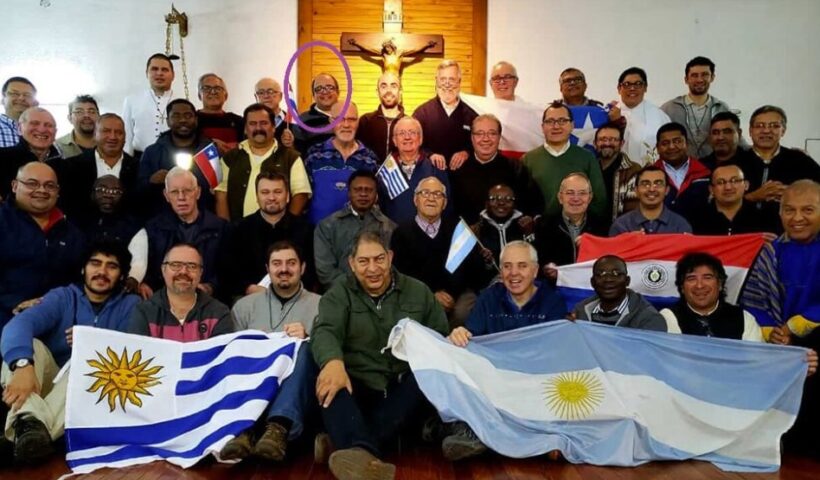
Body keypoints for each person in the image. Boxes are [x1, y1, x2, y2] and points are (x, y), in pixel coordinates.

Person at [311, 231, 448, 479]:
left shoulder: (419, 291)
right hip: (358, 386)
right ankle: (364, 453)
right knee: (328, 380)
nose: (373, 268)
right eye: (363, 262)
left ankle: (352, 447)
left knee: (426, 376)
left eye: (379, 259)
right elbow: (325, 331)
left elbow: (439, 336)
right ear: (351, 264)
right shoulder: (337, 295)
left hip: (401, 391)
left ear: (390, 257)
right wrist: (333, 362)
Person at [0, 240, 139, 463]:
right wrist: (23, 366)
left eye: (112, 266)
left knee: (87, 359)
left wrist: (93, 341)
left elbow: (132, 353)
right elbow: (19, 325)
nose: (102, 271)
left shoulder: (131, 305)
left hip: (95, 395)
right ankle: (30, 430)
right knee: (30, 345)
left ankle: (22, 432)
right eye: (95, 263)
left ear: (122, 275)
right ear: (84, 268)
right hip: (45, 385)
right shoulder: (63, 296)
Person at [444, 241, 566, 461]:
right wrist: (460, 333)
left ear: (535, 270)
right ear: (500, 271)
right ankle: (469, 433)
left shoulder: (552, 300)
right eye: (507, 266)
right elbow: (471, 338)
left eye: (522, 266)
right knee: (454, 358)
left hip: (534, 382)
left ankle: (492, 438)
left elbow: (554, 352)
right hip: (494, 382)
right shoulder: (489, 297)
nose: (514, 273)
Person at [221, 240, 321, 462]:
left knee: (305, 349)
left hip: (299, 395)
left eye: (291, 263)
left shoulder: (321, 306)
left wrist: (308, 337)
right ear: (267, 270)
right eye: (277, 264)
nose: (284, 269)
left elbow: (327, 355)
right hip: (252, 390)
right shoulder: (244, 307)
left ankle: (278, 428)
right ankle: (244, 430)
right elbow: (231, 359)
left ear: (302, 268)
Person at [741, 180, 820, 456]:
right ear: (780, 214)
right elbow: (754, 299)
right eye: (789, 210)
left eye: (808, 210)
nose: (797, 218)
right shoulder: (771, 251)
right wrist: (772, 331)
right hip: (779, 346)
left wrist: (796, 328)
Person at [0, 162, 86, 329]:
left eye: (49, 186)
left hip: (56, 320)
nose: (41, 190)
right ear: (15, 186)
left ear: (58, 192)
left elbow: (78, 281)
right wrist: (15, 302)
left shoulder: (72, 233)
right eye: (32, 183)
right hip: (6, 315)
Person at [391, 177, 482, 328]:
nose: (431, 198)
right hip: (418, 294)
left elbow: (472, 271)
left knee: (464, 311)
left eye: (437, 194)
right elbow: (401, 274)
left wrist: (451, 295)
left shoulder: (459, 230)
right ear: (415, 199)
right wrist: (432, 295)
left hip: (457, 295)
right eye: (425, 193)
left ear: (445, 203)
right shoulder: (401, 233)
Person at [129, 167, 230, 300]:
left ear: (198, 192)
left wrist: (210, 287)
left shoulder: (221, 228)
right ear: (166, 196)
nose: (181, 197)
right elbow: (149, 268)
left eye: (187, 191)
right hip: (163, 298)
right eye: (175, 192)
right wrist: (146, 284)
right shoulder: (153, 228)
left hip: (208, 300)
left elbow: (229, 271)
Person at [216, 103, 312, 221]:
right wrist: (226, 229)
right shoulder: (230, 158)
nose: (258, 128)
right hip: (238, 233)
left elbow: (300, 195)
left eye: (264, 123)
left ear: (273, 127)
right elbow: (221, 194)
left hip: (279, 233)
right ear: (245, 129)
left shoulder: (290, 157)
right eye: (252, 124)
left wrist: (286, 226)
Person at [228, 171, 313, 298]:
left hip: (296, 297)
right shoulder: (238, 229)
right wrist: (248, 288)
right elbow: (228, 271)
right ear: (257, 197)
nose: (271, 197)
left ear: (288, 196)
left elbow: (311, 271)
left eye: (277, 192)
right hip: (250, 297)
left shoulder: (305, 229)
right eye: (265, 192)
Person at [449, 114, 542, 225]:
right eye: (479, 133)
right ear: (472, 137)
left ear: (499, 137)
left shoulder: (515, 168)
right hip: (467, 236)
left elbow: (534, 204)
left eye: (492, 133)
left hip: (508, 236)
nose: (486, 139)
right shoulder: (458, 169)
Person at [128, 243, 233, 340]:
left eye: (192, 266)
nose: (183, 271)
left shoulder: (219, 312)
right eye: (175, 265)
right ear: (163, 270)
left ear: (201, 273)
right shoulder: (144, 311)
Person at [522, 101, 607, 219]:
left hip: (579, 229)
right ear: (542, 127)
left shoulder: (587, 157)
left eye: (562, 121)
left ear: (572, 125)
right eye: (550, 121)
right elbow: (522, 200)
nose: (556, 126)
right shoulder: (528, 159)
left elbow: (599, 199)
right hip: (539, 229)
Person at [742, 106, 820, 231]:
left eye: (774, 126)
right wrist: (753, 196)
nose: (766, 131)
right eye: (760, 126)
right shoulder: (735, 162)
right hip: (744, 235)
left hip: (792, 235)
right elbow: (717, 203)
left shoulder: (800, 160)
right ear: (750, 131)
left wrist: (794, 195)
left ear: (783, 130)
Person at [315, 170, 396, 289]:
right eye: (357, 190)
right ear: (349, 193)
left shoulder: (389, 227)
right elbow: (325, 272)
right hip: (340, 295)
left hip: (379, 294)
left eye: (368, 190)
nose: (363, 194)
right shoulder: (327, 226)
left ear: (376, 195)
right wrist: (354, 290)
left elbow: (393, 269)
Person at [661, 252, 765, 341]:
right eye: (691, 279)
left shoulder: (743, 318)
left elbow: (756, 359)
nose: (699, 285)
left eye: (707, 277)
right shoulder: (668, 317)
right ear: (682, 287)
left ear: (720, 284)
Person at [305, 101, 379, 224]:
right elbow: (304, 196)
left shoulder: (370, 159)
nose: (346, 125)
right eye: (340, 119)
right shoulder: (314, 155)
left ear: (358, 122)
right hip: (319, 235)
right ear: (330, 121)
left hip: (359, 236)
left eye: (351, 119)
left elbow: (376, 200)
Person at [137, 98, 216, 213]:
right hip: (163, 221)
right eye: (176, 116)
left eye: (188, 115)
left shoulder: (210, 151)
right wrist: (151, 181)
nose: (183, 120)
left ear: (196, 120)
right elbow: (139, 192)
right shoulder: (152, 152)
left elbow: (219, 191)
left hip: (203, 220)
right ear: (168, 121)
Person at [57, 113, 139, 219]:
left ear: (125, 137)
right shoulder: (71, 166)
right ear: (95, 134)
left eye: (118, 132)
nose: (113, 137)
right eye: (106, 131)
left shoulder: (138, 168)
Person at [535, 173, 609, 281]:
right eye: (570, 193)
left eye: (582, 193)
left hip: (592, 288)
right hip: (555, 288)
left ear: (590, 198)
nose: (576, 198)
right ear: (560, 197)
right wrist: (546, 268)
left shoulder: (603, 226)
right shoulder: (544, 225)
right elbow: (537, 262)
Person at [377, 116, 450, 224]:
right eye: (401, 133)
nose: (407, 137)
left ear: (420, 139)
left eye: (412, 132)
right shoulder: (385, 170)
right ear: (394, 141)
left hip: (428, 235)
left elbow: (447, 206)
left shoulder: (436, 168)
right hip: (394, 235)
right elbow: (381, 208)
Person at [661, 57, 734, 158]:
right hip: (681, 168)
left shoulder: (721, 108)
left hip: (714, 167)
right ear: (686, 79)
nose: (699, 80)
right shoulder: (669, 108)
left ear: (712, 77)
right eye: (694, 75)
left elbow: (735, 138)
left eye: (705, 75)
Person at [571, 255, 666, 330]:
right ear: (592, 282)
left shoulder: (650, 318)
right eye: (601, 274)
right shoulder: (579, 313)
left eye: (616, 274)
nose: (608, 279)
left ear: (627, 281)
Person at [413, 60, 478, 169]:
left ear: (459, 81)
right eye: (443, 79)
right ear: (436, 81)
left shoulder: (472, 116)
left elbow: (480, 146)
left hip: (462, 178)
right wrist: (430, 155)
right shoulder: (421, 113)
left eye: (452, 79)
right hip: (430, 177)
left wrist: (467, 153)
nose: (447, 84)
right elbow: (411, 143)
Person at [472, 184, 534, 286]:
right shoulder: (476, 231)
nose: (501, 203)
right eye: (494, 199)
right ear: (486, 203)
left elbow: (536, 261)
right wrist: (486, 263)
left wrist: (529, 234)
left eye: (508, 199)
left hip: (523, 283)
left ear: (514, 204)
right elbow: (471, 274)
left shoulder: (525, 226)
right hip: (488, 287)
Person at [690, 164, 777, 235]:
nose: (728, 187)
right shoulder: (697, 220)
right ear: (711, 189)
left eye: (735, 181)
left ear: (746, 185)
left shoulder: (763, 219)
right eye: (720, 182)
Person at [609, 67, 670, 165]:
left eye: (638, 84)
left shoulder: (659, 116)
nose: (632, 88)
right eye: (627, 84)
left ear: (645, 88)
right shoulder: (610, 112)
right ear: (619, 88)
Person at [610, 166, 692, 235]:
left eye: (658, 184)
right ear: (636, 190)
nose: (652, 189)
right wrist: (627, 242)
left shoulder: (681, 226)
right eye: (645, 184)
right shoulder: (621, 226)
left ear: (667, 190)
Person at [0, 107, 61, 200]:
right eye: (34, 123)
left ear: (55, 132)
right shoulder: (2, 158)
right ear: (19, 128)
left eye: (48, 125)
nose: (42, 129)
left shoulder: (66, 166)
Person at [652, 122, 711, 218]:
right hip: (661, 231)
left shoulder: (706, 173)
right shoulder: (649, 176)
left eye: (677, 141)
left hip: (699, 230)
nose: (671, 147)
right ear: (658, 148)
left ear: (687, 144)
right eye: (665, 143)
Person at [122, 53, 175, 157]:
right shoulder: (131, 100)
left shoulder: (182, 102)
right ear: (147, 73)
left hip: (173, 158)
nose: (159, 73)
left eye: (164, 70)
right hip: (139, 159)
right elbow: (126, 136)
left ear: (173, 75)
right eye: (154, 69)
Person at [77, 175, 142, 247]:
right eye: (101, 189)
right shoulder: (78, 222)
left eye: (116, 191)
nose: (108, 195)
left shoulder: (133, 227)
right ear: (92, 194)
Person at [594, 122, 641, 221]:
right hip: (590, 230)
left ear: (621, 143)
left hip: (620, 229)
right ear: (595, 143)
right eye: (603, 139)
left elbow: (634, 208)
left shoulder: (633, 170)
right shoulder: (588, 167)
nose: (607, 143)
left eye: (613, 140)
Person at [356, 72, 406, 162]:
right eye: (383, 86)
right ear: (377, 92)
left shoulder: (409, 123)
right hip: (370, 175)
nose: (388, 91)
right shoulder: (365, 121)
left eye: (393, 86)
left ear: (400, 91)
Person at [292, 73, 339, 157]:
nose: (324, 92)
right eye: (319, 89)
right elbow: (298, 155)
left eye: (329, 87)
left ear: (338, 92)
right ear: (313, 95)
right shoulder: (301, 121)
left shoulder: (349, 117)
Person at [196, 73, 244, 155]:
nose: (213, 92)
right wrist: (210, 143)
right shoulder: (192, 120)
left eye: (218, 88)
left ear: (226, 96)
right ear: (199, 95)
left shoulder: (238, 121)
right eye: (206, 88)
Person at [347, 37, 437, 77]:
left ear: (392, 46)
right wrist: (356, 44)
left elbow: (415, 50)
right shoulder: (384, 55)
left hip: (396, 78)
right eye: (385, 47)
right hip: (386, 78)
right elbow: (368, 49)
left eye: (388, 47)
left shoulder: (399, 54)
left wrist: (427, 46)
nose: (387, 49)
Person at [254, 77, 295, 147]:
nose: (266, 96)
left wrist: (292, 145)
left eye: (271, 91)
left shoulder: (292, 123)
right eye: (261, 92)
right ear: (256, 97)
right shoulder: (250, 124)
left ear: (280, 96)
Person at [0, 77, 37, 148]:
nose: (21, 98)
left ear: (35, 103)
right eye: (15, 93)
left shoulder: (42, 130)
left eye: (27, 95)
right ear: (3, 100)